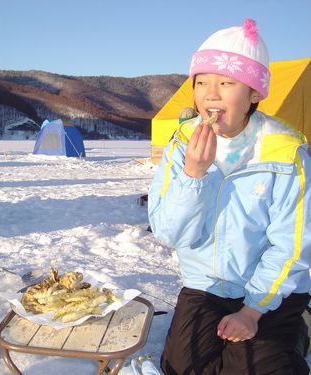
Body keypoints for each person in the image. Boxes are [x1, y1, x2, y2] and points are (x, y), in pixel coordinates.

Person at [148, 19, 310, 374]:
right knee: (179, 368)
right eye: (201, 82)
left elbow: (293, 246)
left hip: (270, 294)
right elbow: (169, 233)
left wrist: (252, 311)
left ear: (254, 93)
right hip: (205, 286)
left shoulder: (285, 154)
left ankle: (295, 333)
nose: (211, 93)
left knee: (256, 369)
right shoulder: (181, 147)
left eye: (226, 82)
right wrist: (194, 175)